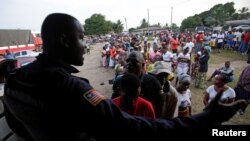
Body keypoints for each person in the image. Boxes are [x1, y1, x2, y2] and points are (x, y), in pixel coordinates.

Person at [3, 13, 248, 141]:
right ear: (64, 40)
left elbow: (16, 125)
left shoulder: (15, 80)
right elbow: (131, 128)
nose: (85, 45)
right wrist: (206, 119)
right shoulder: (73, 89)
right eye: (81, 37)